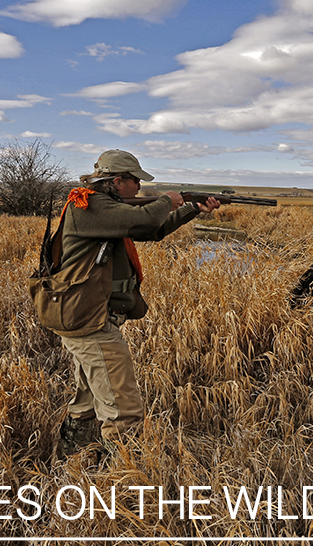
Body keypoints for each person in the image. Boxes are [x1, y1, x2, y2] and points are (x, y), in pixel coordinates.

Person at [55, 149, 219, 455]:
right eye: (135, 182)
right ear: (119, 181)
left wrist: (192, 208)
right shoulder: (89, 206)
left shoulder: (104, 208)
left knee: (88, 397)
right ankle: (125, 482)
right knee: (123, 410)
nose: (139, 188)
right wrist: (168, 200)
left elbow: (150, 229)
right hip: (90, 319)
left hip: (86, 312)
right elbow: (143, 220)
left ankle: (72, 458)